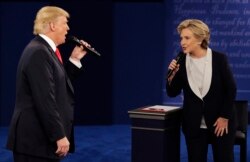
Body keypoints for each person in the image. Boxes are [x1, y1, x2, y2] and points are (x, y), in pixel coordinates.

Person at [6, 6, 90, 162]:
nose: (68, 28)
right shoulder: (39, 52)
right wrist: (58, 135)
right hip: (35, 143)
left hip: (40, 142)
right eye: (65, 23)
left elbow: (58, 85)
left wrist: (74, 59)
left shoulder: (45, 50)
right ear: (52, 25)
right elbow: (45, 99)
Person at [166, 19, 237, 162]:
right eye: (181, 38)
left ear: (199, 39)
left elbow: (231, 89)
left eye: (187, 38)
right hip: (193, 123)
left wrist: (224, 117)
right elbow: (172, 92)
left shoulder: (219, 59)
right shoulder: (181, 61)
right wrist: (171, 75)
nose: (182, 42)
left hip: (219, 122)